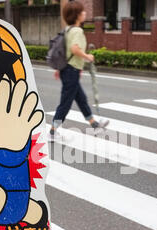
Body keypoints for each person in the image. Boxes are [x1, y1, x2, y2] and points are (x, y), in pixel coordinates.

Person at [49, 0, 109, 142]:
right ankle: (52, 132)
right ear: (77, 15)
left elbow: (64, 51)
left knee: (81, 99)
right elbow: (74, 49)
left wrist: (60, 69)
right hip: (71, 71)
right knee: (65, 103)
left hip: (68, 70)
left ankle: (95, 125)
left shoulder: (67, 30)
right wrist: (87, 56)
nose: (84, 13)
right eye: (82, 11)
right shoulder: (77, 31)